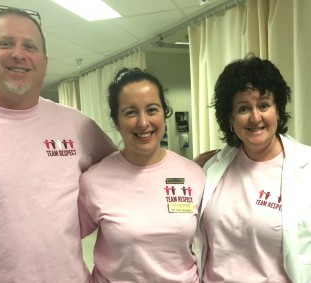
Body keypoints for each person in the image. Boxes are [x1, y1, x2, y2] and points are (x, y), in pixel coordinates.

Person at [0, 6, 115, 283]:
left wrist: (189, 170)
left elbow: (128, 171)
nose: (19, 53)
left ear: (44, 61)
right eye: (6, 43)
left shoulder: (78, 126)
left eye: (30, 46)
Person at [78, 67, 206, 282]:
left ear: (164, 113)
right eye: (130, 112)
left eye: (152, 109)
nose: (143, 122)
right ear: (116, 121)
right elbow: (65, 241)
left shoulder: (195, 175)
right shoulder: (94, 181)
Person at [196, 54, 311, 283]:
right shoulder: (212, 167)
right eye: (243, 108)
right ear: (230, 117)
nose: (255, 117)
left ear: (277, 109)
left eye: (264, 105)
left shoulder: (306, 167)